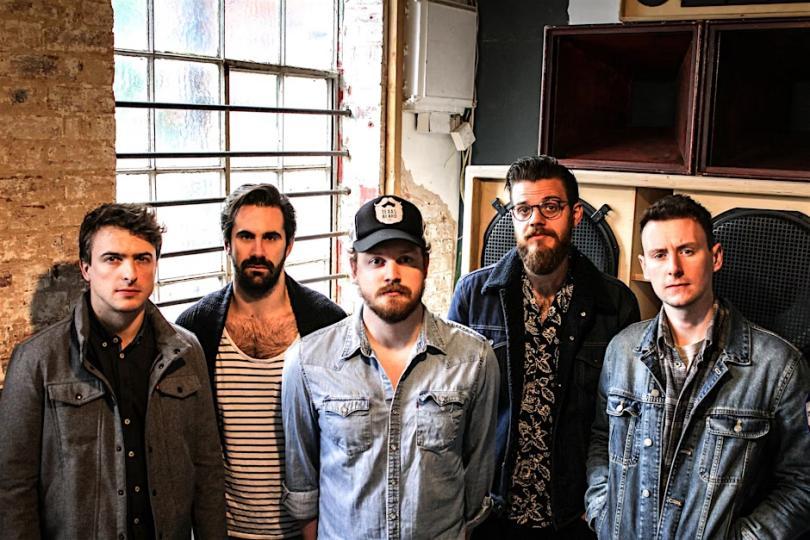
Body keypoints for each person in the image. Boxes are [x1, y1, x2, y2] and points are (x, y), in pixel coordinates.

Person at [585, 194, 810, 538]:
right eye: (660, 255)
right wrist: (603, 513)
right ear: (645, 266)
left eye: (687, 251)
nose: (674, 268)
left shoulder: (778, 366)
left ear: (715, 257)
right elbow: (601, 440)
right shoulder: (622, 350)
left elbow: (802, 481)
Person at [0, 203, 225, 539]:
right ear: (86, 268)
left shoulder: (186, 351)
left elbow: (207, 468)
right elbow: (13, 486)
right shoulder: (37, 360)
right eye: (113, 259)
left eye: (142, 259)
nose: (130, 273)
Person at [282, 195, 500, 539]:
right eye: (376, 261)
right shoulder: (308, 361)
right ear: (354, 268)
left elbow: (477, 481)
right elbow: (302, 486)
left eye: (405, 259)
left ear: (425, 264)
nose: (392, 274)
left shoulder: (474, 359)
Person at [448, 155, 640, 538]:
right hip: (490, 512)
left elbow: (627, 420)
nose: (536, 219)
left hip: (574, 514)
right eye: (523, 209)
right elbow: (450, 405)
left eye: (551, 206)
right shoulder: (474, 295)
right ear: (513, 218)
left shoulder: (615, 303)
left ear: (575, 215)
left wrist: (602, 502)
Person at [176, 183, 345, 539]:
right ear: (227, 243)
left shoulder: (327, 324)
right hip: (223, 531)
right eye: (245, 236)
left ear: (289, 244)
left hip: (308, 530)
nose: (257, 250)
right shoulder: (196, 328)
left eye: (270, 237)